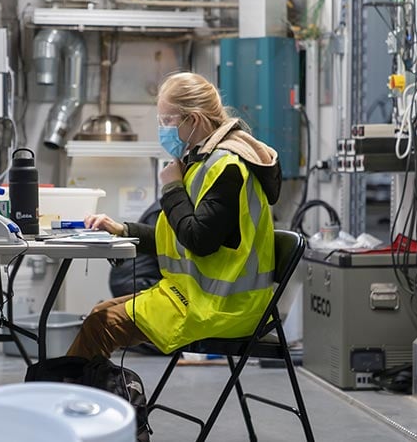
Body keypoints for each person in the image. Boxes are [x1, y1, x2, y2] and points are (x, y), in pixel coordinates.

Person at [66, 72, 282, 360]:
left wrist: (171, 187)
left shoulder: (227, 168)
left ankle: (76, 401)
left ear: (193, 120)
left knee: (100, 325)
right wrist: (120, 229)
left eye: (167, 121)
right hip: (195, 298)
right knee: (98, 314)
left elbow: (198, 239)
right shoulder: (202, 162)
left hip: (224, 309)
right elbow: (180, 239)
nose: (163, 129)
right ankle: (95, 398)